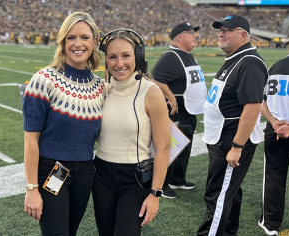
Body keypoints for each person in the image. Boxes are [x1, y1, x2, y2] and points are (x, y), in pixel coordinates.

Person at [22, 12, 106, 236]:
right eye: (71, 38)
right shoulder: (44, 80)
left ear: (94, 42)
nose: (78, 44)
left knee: (70, 231)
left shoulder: (101, 87)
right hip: (54, 170)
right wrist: (31, 188)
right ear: (63, 42)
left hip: (86, 172)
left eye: (85, 38)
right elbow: (31, 139)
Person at [93, 29, 170, 236]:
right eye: (112, 57)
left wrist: (155, 193)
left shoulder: (151, 92)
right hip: (101, 176)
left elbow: (163, 148)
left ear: (138, 57)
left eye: (126, 56)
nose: (119, 64)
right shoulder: (102, 89)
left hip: (134, 178)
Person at [197, 15, 268, 236]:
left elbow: (253, 107)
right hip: (222, 138)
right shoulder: (237, 58)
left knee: (217, 196)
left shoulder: (249, 62)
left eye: (228, 30)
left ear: (244, 35)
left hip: (231, 140)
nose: (221, 33)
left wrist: (237, 146)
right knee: (229, 193)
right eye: (220, 30)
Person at [151, 22, 207, 199]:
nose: (195, 36)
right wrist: (171, 97)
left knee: (185, 147)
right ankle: (163, 183)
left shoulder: (186, 55)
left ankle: (178, 179)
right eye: (191, 33)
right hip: (177, 112)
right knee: (172, 148)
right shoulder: (171, 56)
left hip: (189, 111)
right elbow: (155, 78)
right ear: (179, 37)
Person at [258, 28, 289, 236]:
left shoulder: (274, 66)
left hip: (274, 131)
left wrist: (274, 122)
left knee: (273, 177)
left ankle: (270, 223)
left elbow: (260, 101)